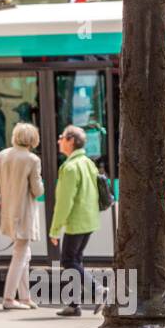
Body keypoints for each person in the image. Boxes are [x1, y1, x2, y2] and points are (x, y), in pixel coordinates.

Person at [0, 121, 44, 310]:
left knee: (23, 254)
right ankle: (9, 299)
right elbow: (38, 191)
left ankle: (25, 297)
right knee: (20, 255)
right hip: (24, 214)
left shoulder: (2, 155)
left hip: (7, 212)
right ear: (32, 139)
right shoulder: (32, 160)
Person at [48, 125, 100, 317]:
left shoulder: (70, 168)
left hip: (76, 222)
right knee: (76, 260)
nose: (59, 140)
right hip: (89, 221)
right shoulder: (88, 163)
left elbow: (64, 203)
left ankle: (99, 291)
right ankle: (73, 304)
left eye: (62, 137)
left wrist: (54, 230)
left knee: (69, 260)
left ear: (71, 141)